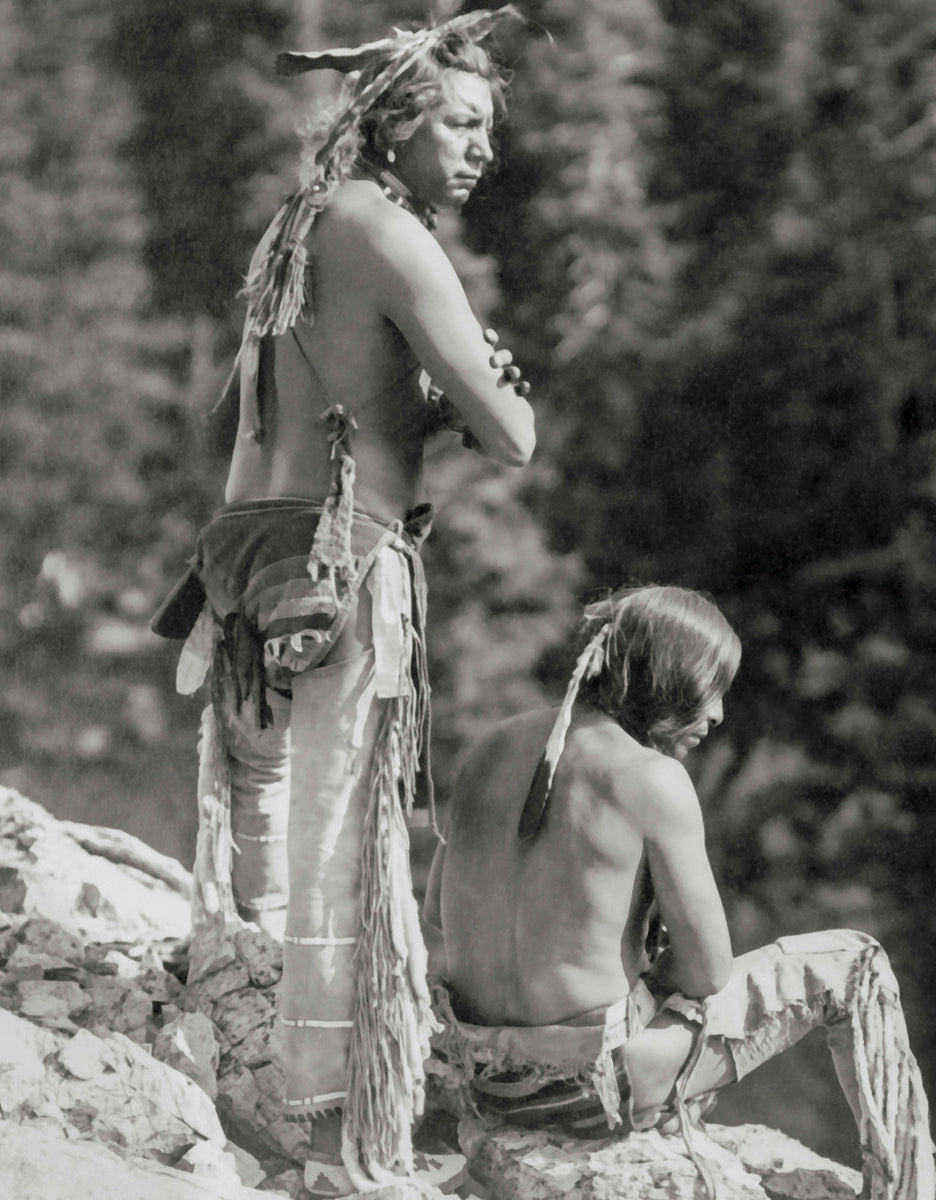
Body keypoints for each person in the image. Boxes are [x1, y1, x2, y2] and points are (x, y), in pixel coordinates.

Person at [152, 8, 532, 1194]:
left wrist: (214, 591)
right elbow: (513, 434)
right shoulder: (395, 238)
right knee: (339, 844)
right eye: (464, 124)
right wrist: (480, 389)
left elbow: (264, 416)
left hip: (249, 551)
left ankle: (238, 1074)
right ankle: (327, 1123)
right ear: (403, 121)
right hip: (346, 559)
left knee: (264, 834)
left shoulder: (297, 227)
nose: (482, 151)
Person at [424, 585, 936, 1200]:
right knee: (856, 963)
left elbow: (437, 912)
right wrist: (647, 981)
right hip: (588, 1094)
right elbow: (708, 971)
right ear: (667, 682)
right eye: (711, 691)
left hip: (484, 1083)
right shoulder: (652, 778)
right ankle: (910, 1192)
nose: (719, 715)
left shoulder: (490, 747)